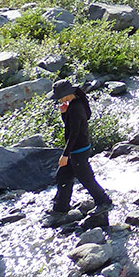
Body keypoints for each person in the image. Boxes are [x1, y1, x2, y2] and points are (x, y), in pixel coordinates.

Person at [49, 80, 112, 215]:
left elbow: (74, 133)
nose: (57, 99)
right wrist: (64, 113)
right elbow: (71, 125)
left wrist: (65, 154)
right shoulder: (76, 104)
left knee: (86, 178)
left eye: (58, 96)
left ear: (66, 95)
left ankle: (104, 201)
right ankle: (60, 206)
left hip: (78, 150)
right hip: (78, 148)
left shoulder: (76, 108)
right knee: (62, 176)